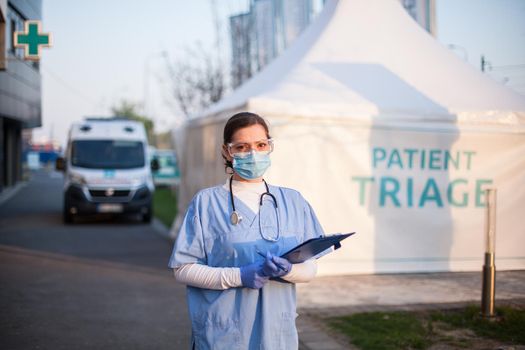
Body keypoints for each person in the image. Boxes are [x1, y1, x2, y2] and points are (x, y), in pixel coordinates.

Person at [168, 112, 325, 350]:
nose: (253, 154)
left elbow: (311, 268)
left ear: (269, 147)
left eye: (261, 145)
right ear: (227, 151)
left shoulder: (293, 201)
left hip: (276, 334)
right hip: (224, 332)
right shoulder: (206, 203)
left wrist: (290, 270)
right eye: (242, 146)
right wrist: (239, 276)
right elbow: (183, 269)